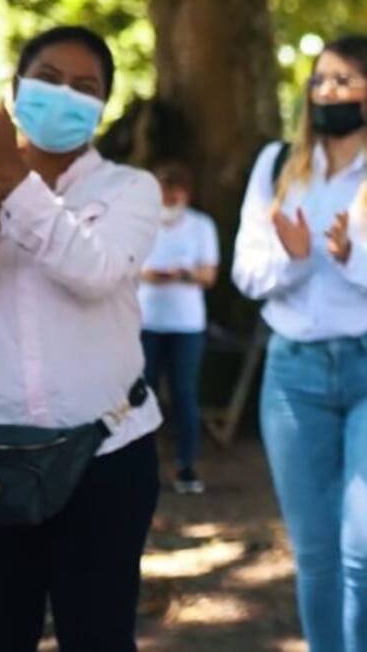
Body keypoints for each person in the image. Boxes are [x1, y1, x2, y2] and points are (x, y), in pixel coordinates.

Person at [232, 35, 367, 652]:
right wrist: (295, 261)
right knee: (317, 552)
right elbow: (247, 273)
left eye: (344, 79)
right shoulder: (276, 166)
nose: (328, 91)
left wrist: (354, 257)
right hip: (294, 376)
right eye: (320, 80)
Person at [0, 25, 162, 651]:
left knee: (99, 636)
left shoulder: (131, 189)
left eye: (85, 87)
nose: (65, 95)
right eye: (48, 78)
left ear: (103, 108)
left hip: (106, 454)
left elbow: (94, 271)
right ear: (15, 88)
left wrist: (16, 184)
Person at [139, 160, 219, 494]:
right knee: (145, 394)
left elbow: (209, 274)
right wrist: (151, 275)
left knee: (185, 393)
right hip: (147, 320)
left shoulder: (201, 226)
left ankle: (186, 465)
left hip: (186, 324)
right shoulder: (142, 224)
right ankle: (144, 466)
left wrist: (183, 275)